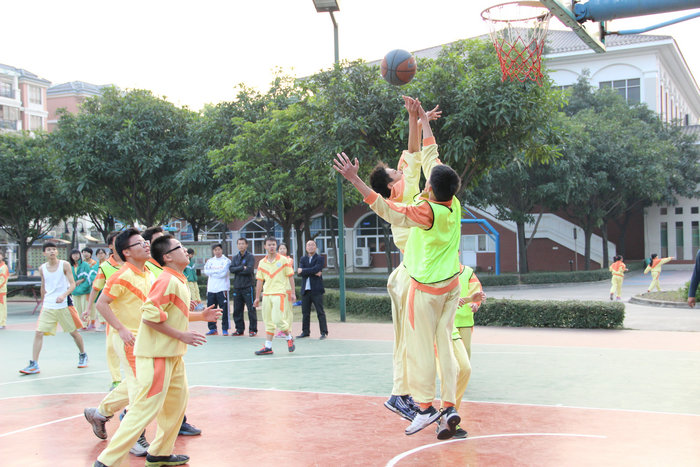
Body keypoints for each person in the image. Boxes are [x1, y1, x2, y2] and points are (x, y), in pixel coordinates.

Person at [334, 145, 463, 438]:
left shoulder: (424, 211)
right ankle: (449, 406)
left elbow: (385, 208)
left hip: (426, 289)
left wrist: (354, 179)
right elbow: (431, 158)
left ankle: (424, 408)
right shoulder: (454, 203)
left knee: (419, 351)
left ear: (430, 188)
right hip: (452, 287)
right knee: (444, 347)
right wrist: (422, 123)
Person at [93, 235, 221, 467]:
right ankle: (106, 461)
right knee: (144, 408)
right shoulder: (165, 280)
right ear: (168, 256)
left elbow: (170, 313)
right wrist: (181, 335)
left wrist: (201, 316)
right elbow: (150, 317)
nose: (185, 250)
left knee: (176, 404)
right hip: (156, 356)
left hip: (172, 354)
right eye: (179, 247)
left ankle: (160, 453)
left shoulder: (171, 279)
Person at [373, 97, 441, 423]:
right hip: (407, 277)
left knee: (417, 340)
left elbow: (413, 153)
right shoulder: (398, 203)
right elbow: (413, 157)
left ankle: (407, 394)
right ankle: (399, 395)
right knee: (406, 340)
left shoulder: (408, 187)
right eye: (394, 172)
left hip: (413, 273)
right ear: (391, 185)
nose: (400, 170)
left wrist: (415, 118)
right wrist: (417, 121)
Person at [84, 228, 155, 457]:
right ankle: (133, 436)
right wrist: (121, 328)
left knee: (135, 383)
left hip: (144, 338)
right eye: (140, 243)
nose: (146, 245)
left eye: (145, 241)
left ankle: (100, 413)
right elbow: (101, 303)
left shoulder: (147, 273)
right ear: (127, 251)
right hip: (129, 340)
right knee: (141, 387)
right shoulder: (121, 275)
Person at [19, 242, 88, 375]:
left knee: (73, 332)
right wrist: (43, 301)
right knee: (39, 332)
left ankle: (83, 354)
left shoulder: (64, 265)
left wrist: (63, 295)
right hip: (48, 305)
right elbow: (43, 286)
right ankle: (34, 364)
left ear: (57, 252)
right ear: (44, 253)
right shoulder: (42, 268)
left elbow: (72, 284)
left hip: (64, 304)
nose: (52, 251)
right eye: (49, 249)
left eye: (54, 249)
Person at [85, 232, 123, 387]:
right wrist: (88, 309)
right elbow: (96, 288)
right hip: (114, 313)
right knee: (111, 347)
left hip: (135, 311)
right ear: (110, 246)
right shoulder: (106, 266)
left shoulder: (135, 262)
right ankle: (116, 379)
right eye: (117, 240)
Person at [252, 237, 296, 355]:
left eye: (273, 244)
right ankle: (268, 347)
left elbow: (290, 276)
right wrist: (257, 297)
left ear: (276, 246)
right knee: (268, 321)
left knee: (278, 319)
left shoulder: (283, 260)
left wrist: (293, 292)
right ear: (265, 247)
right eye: (269, 245)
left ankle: (289, 337)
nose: (271, 247)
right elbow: (259, 281)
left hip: (279, 294)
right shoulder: (262, 262)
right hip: (266, 294)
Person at [297, 240, 328, 340]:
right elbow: (299, 273)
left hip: (316, 290)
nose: (310, 247)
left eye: (312, 245)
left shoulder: (320, 258)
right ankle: (305, 332)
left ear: (316, 247)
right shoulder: (303, 259)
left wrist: (304, 270)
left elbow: (316, 269)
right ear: (306, 248)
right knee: (305, 313)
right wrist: (313, 271)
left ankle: (324, 332)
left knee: (320, 312)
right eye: (308, 245)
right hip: (305, 290)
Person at [229, 238, 258, 336]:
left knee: (251, 309)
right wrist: (242, 267)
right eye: (239, 244)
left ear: (246, 245)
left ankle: (253, 330)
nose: (241, 245)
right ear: (237, 245)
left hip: (248, 286)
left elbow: (249, 270)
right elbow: (231, 269)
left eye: (242, 243)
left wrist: (238, 270)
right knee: (237, 309)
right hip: (237, 286)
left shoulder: (250, 257)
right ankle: (239, 329)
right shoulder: (235, 257)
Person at [203, 243, 231, 335]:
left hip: (222, 288)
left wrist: (213, 272)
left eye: (219, 249)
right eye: (215, 250)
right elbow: (206, 271)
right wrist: (217, 272)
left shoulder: (226, 261)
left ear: (221, 250)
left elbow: (223, 273)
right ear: (213, 251)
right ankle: (212, 328)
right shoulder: (210, 261)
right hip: (211, 289)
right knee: (211, 310)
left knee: (224, 310)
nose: (217, 251)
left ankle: (225, 329)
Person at [69, 248, 92, 330]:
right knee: (77, 308)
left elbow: (89, 277)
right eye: (74, 254)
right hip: (74, 290)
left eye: (77, 254)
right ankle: (79, 324)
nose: (75, 256)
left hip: (84, 290)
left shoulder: (85, 265)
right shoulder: (70, 266)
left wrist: (81, 281)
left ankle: (84, 324)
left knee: (84, 308)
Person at [278, 243, 295, 337]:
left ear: (287, 250)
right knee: (280, 310)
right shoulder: (275, 260)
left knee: (287, 310)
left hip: (287, 289)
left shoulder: (289, 260)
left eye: (284, 248)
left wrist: (293, 292)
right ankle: (282, 329)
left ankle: (288, 330)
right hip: (279, 289)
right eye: (280, 248)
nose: (282, 250)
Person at [0, 250, 8, 329]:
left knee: (2, 308)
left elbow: (3, 280)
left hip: (1, 291)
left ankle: (2, 323)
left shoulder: (3, 267)